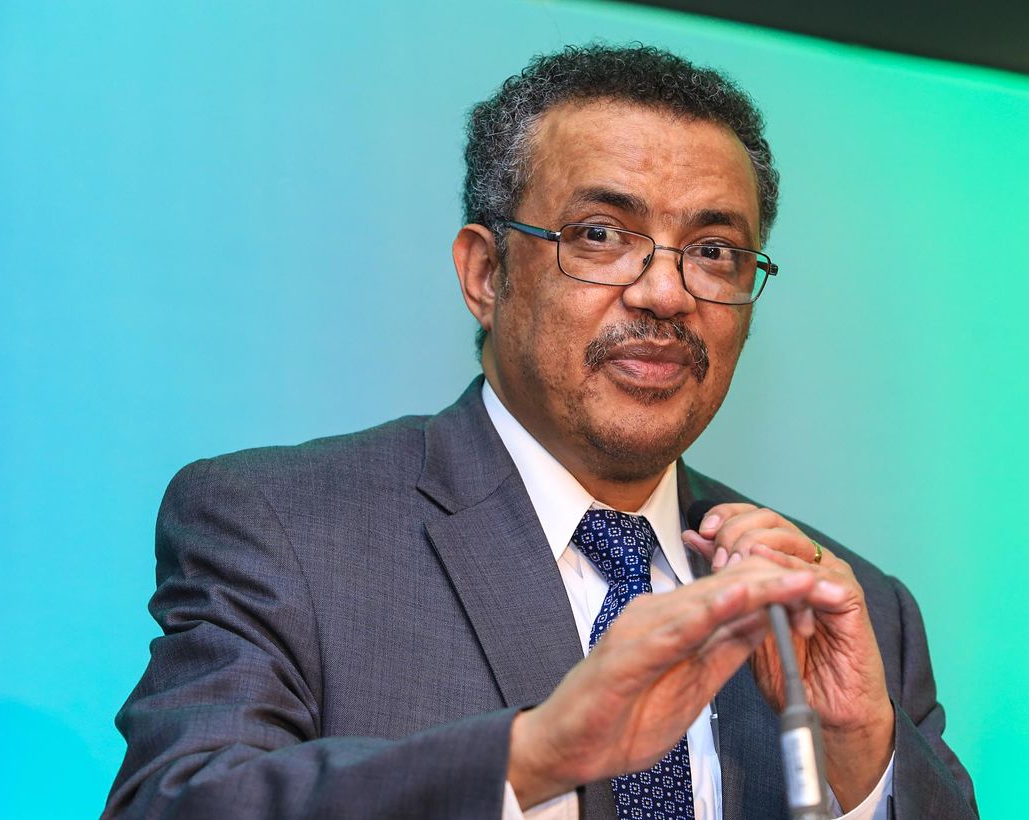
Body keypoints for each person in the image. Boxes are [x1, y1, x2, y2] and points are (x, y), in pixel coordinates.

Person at [105, 44, 976, 819]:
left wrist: (862, 762)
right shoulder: (287, 528)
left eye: (714, 251)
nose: (666, 294)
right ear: (486, 274)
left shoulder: (850, 608)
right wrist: (537, 757)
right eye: (600, 235)